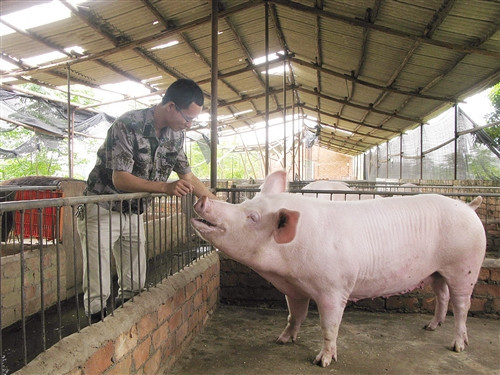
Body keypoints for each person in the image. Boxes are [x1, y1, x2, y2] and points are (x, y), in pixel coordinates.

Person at [77, 78, 217, 322]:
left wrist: (217, 205)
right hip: (102, 208)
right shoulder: (128, 124)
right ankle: (94, 326)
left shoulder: (175, 136)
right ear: (171, 106)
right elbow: (120, 179)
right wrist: (165, 187)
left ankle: (128, 325)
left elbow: (187, 175)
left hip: (134, 212)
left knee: (135, 279)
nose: (189, 124)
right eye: (187, 117)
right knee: (97, 277)